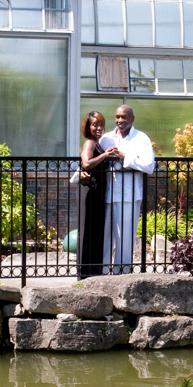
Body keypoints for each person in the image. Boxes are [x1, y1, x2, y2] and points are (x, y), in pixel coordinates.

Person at [99, 105, 155, 273]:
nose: (120, 120)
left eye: (124, 117)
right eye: (117, 117)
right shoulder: (106, 138)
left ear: (132, 118)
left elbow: (149, 165)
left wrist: (125, 157)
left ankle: (121, 274)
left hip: (129, 195)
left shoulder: (141, 138)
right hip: (107, 193)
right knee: (103, 237)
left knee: (125, 238)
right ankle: (99, 273)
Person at [77, 111, 113, 277]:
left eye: (101, 124)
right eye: (95, 124)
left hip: (98, 192)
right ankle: (85, 273)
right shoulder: (90, 143)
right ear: (88, 127)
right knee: (89, 232)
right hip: (90, 192)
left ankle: (94, 271)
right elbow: (86, 163)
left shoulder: (98, 144)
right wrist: (105, 155)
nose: (99, 128)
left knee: (96, 231)